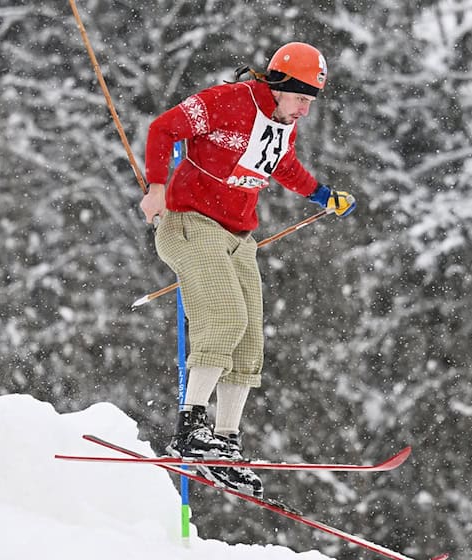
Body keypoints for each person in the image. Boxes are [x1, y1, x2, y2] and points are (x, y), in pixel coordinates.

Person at [139, 41, 355, 498]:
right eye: (300, 99)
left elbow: (284, 165)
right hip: (190, 222)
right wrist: (157, 187)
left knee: (250, 339)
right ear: (279, 86)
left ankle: (224, 444)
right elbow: (164, 129)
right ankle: (189, 428)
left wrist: (322, 195)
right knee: (224, 320)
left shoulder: (284, 124)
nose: (304, 111)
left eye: (310, 103)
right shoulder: (229, 101)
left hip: (239, 238)